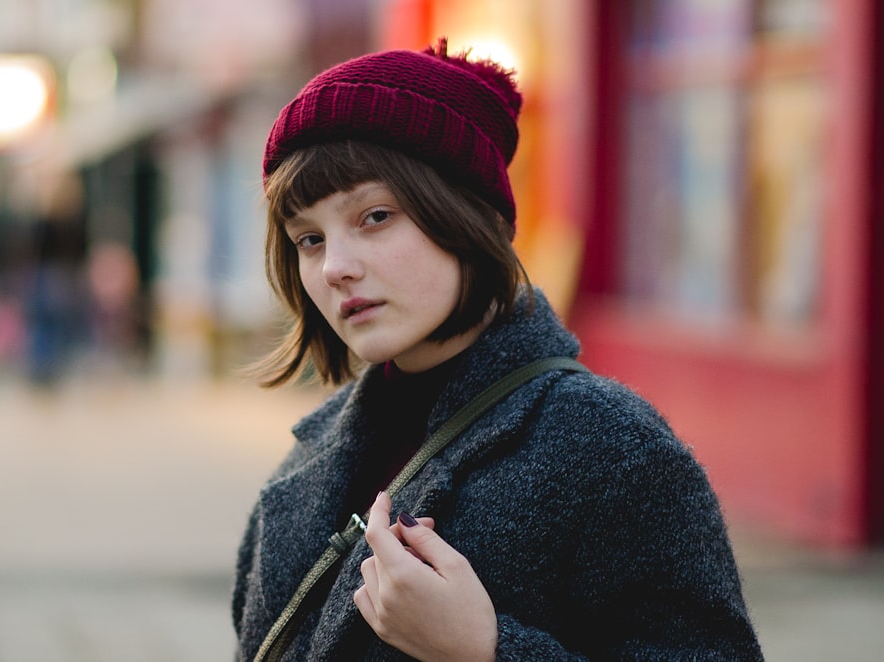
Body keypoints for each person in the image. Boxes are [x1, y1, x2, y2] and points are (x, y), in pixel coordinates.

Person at [232, 39, 763, 661]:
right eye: (309, 239)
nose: (335, 269)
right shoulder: (309, 458)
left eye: (375, 216)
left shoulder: (610, 448)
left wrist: (485, 649)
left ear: (466, 216)